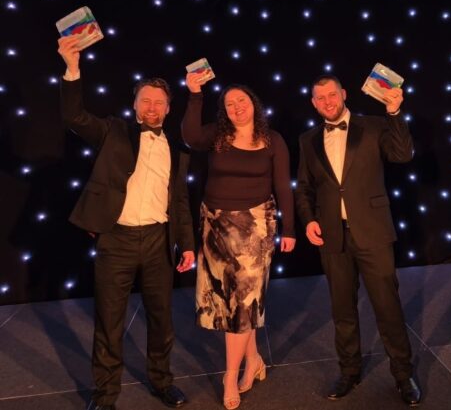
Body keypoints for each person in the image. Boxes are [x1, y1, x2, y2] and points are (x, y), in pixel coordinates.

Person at [57, 35, 195, 410]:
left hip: (158, 240)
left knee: (161, 319)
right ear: (135, 105)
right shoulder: (113, 131)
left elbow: (180, 202)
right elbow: (74, 117)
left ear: (168, 109)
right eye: (145, 100)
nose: (152, 107)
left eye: (159, 102)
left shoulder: (178, 151)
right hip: (115, 240)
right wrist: (72, 68)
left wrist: (188, 244)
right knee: (109, 321)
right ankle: (105, 395)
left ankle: (163, 382)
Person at [295, 74, 421, 406]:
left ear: (344, 94)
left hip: (373, 231)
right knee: (342, 310)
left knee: (387, 307)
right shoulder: (308, 139)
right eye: (319, 98)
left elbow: (402, 154)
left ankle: (403, 374)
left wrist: (395, 114)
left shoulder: (375, 125)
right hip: (332, 237)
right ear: (313, 103)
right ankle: (349, 371)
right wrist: (308, 221)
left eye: (331, 95)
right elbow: (304, 187)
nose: (327, 102)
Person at [181, 71, 296, 410]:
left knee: (243, 303)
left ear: (253, 105)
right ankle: (255, 359)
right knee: (228, 302)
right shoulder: (217, 135)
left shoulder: (273, 140)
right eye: (229, 104)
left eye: (241, 101)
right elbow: (189, 136)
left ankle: (229, 376)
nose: (236, 108)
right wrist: (195, 95)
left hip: (255, 229)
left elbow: (282, 185)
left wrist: (289, 229)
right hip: (214, 225)